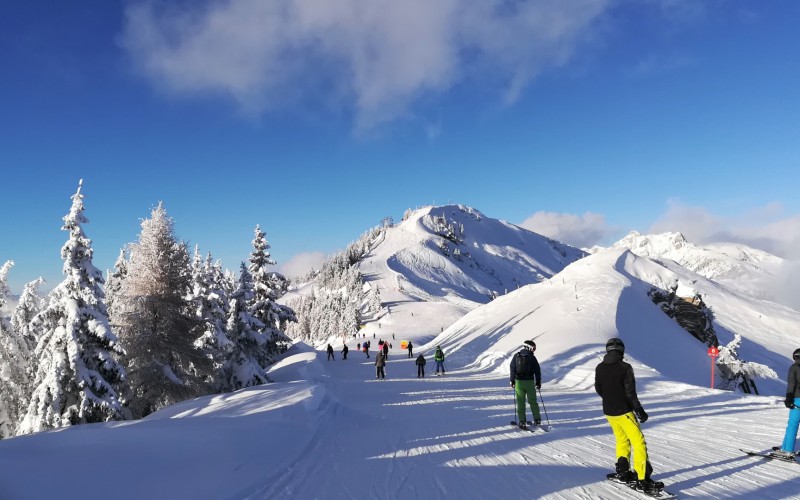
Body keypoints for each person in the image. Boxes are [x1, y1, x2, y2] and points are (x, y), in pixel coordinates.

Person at [595, 338, 663, 494]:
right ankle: (641, 479)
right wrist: (639, 410)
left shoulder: (600, 367)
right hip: (624, 411)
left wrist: (610, 398)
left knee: (621, 440)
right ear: (621, 350)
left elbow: (599, 388)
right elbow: (630, 393)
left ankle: (623, 471)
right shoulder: (625, 367)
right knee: (638, 442)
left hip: (609, 411)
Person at [509, 340, 542, 429]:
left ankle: (522, 422)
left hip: (519, 383)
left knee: (520, 402)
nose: (534, 350)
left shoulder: (516, 356)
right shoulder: (532, 357)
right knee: (533, 401)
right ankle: (537, 419)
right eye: (533, 348)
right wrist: (538, 382)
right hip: (530, 383)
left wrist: (512, 380)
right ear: (528, 347)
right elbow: (537, 370)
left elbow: (512, 368)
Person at [776, 348, 800, 458]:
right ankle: (784, 447)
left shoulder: (794, 368)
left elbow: (791, 384)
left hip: (797, 399)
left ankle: (787, 450)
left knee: (792, 424)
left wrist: (789, 398)